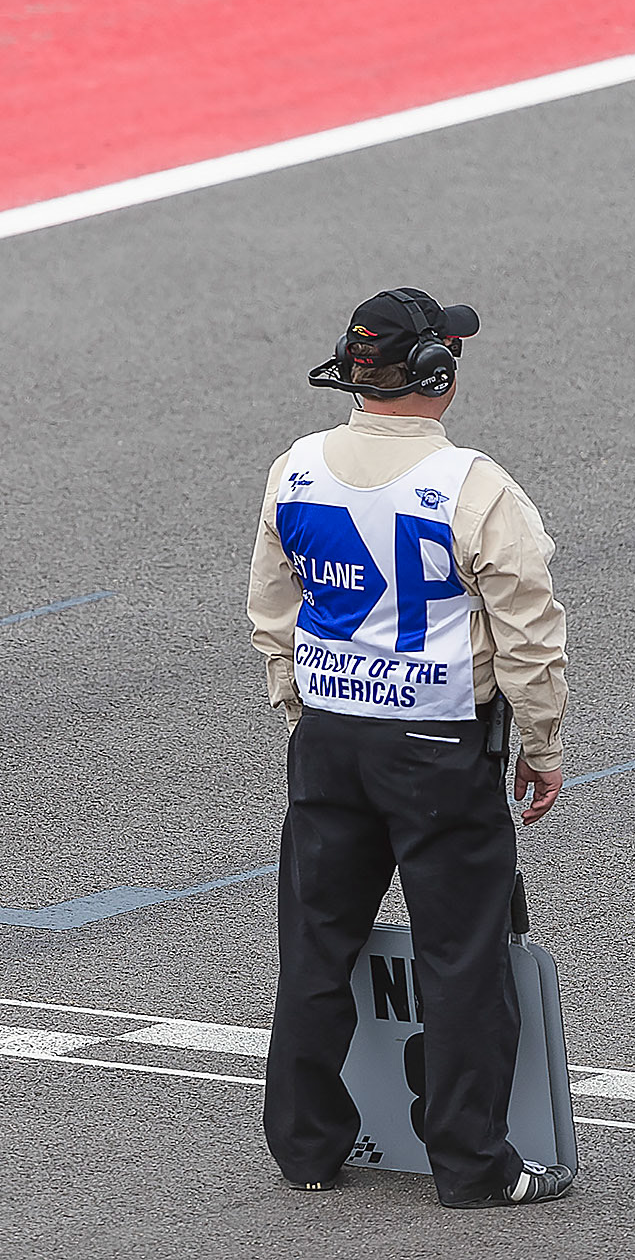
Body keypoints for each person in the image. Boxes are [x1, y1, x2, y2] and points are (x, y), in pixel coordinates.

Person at [246, 287, 572, 1208]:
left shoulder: (294, 468)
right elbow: (527, 630)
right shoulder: (474, 485)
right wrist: (539, 744)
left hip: (327, 738)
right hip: (438, 745)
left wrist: (301, 706)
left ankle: (307, 1147)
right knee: (461, 957)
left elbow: (272, 608)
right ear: (434, 373)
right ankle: (473, 1167)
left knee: (314, 947)